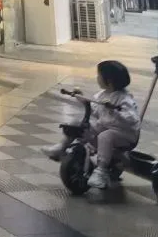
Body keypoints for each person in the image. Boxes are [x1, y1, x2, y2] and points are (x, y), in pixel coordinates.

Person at [42, 60, 141, 189]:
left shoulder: (125, 99)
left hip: (124, 134)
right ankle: (61, 148)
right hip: (105, 127)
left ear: (109, 81)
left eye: (99, 76)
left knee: (105, 136)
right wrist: (83, 100)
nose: (97, 78)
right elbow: (95, 109)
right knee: (77, 124)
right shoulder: (102, 95)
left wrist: (115, 111)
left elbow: (132, 119)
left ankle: (101, 171)